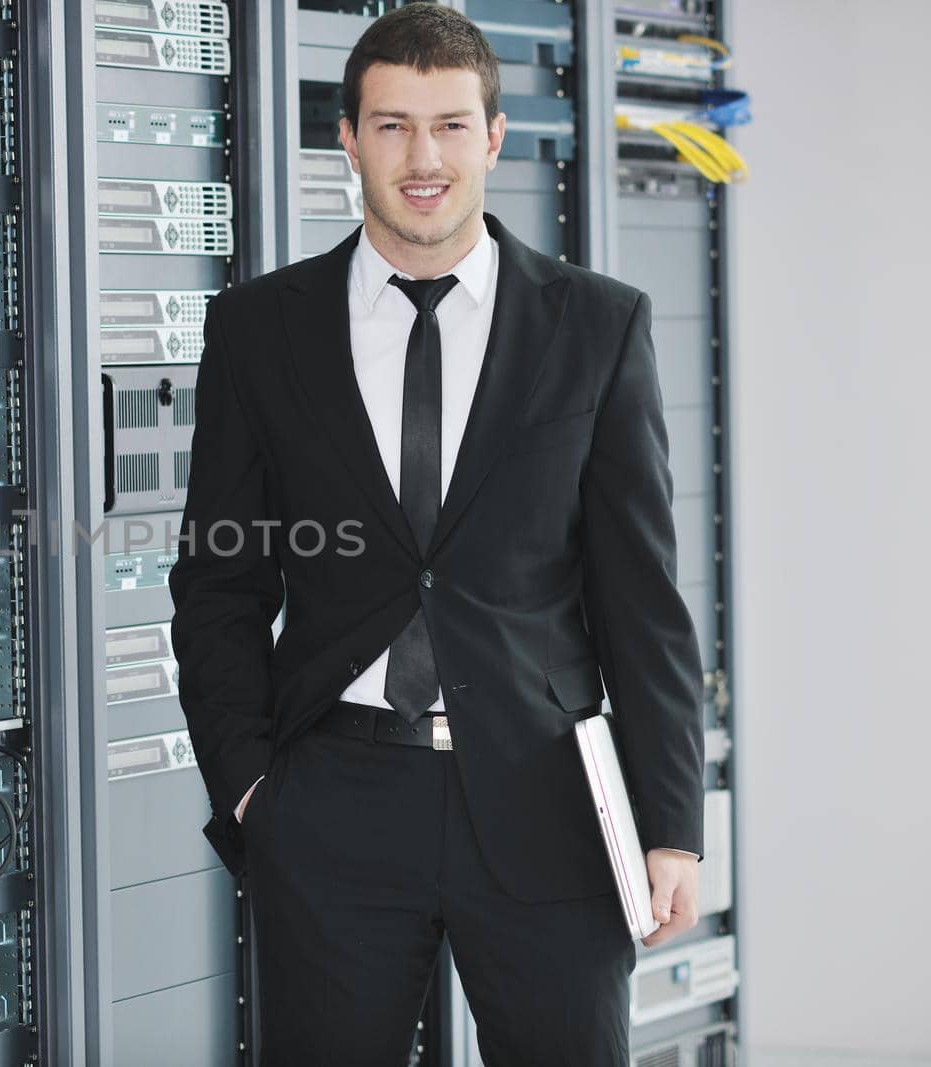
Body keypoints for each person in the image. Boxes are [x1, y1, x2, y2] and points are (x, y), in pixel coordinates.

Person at [167, 5, 704, 1064]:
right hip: (333, 802)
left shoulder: (597, 325)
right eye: (393, 126)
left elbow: (642, 597)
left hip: (547, 799)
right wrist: (251, 788)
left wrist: (670, 822)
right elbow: (219, 580)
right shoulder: (260, 328)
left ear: (494, 138)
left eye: (452, 126)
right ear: (348, 139)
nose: (424, 158)